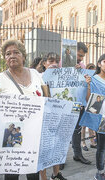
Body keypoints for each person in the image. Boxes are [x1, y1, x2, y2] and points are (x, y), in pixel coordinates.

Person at [0, 39, 45, 180]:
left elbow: (47, 98)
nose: (12, 56)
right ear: (5, 59)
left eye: (16, 52)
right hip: (12, 133)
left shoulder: (36, 75)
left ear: (24, 56)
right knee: (12, 173)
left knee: (33, 172)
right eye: (8, 54)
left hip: (34, 132)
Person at [39, 52, 67, 180]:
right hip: (43, 118)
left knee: (58, 145)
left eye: (56, 61)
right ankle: (43, 176)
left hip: (59, 117)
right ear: (44, 63)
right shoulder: (38, 77)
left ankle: (56, 174)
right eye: (50, 61)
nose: (54, 64)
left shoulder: (63, 77)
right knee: (44, 149)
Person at [72, 42, 91, 164]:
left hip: (79, 102)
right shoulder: (61, 63)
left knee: (77, 129)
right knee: (64, 130)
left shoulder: (83, 66)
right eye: (79, 55)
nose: (80, 58)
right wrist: (71, 70)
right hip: (65, 102)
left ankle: (77, 154)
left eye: (82, 56)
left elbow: (85, 83)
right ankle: (60, 159)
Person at [81, 63, 97, 151]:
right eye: (90, 69)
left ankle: (92, 142)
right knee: (83, 125)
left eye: (93, 69)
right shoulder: (84, 78)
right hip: (85, 102)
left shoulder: (95, 78)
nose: (92, 71)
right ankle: (83, 143)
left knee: (91, 124)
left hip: (93, 102)